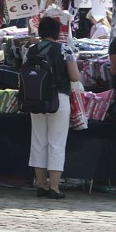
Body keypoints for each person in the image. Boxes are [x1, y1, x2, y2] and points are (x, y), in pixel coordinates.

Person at [28, 15, 81, 200]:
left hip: (35, 100)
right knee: (56, 143)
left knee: (38, 142)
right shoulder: (64, 49)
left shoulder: (31, 50)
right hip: (58, 98)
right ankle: (54, 187)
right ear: (57, 32)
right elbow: (74, 77)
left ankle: (41, 185)